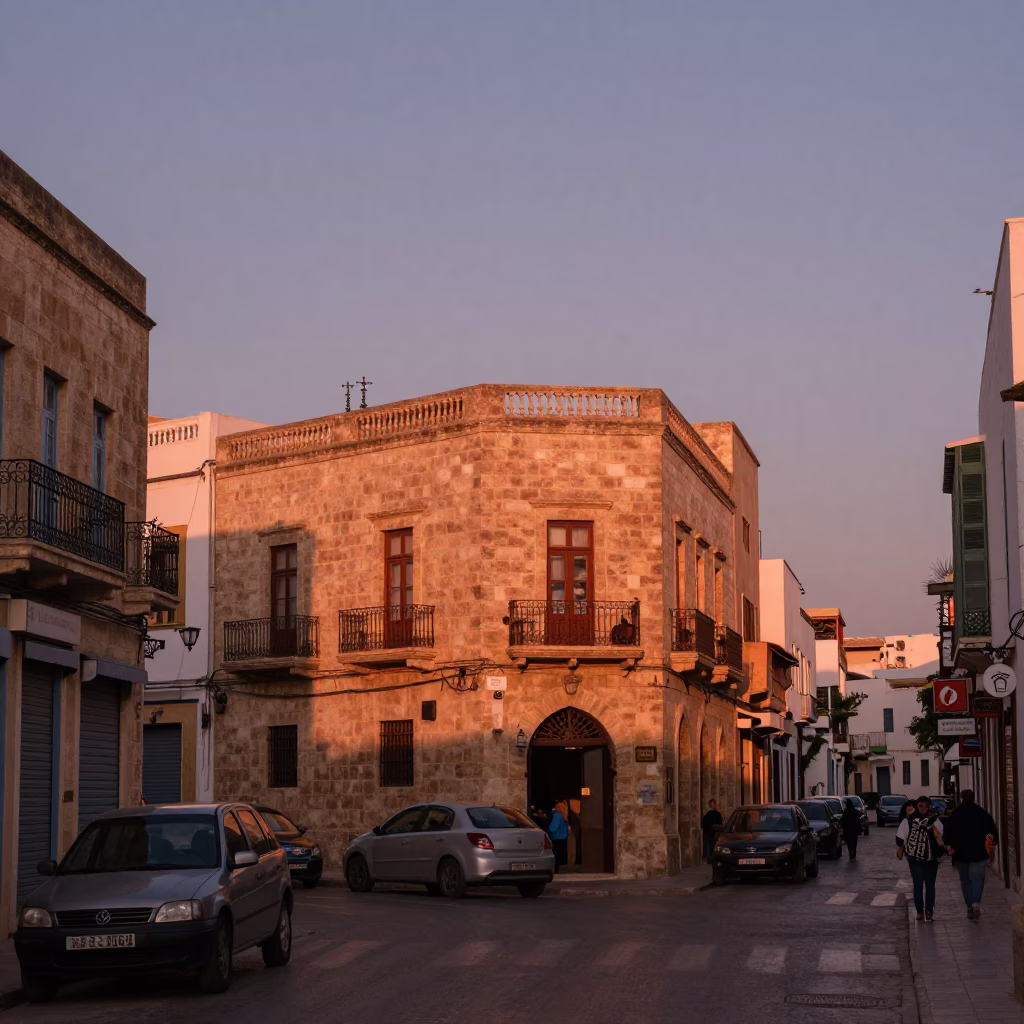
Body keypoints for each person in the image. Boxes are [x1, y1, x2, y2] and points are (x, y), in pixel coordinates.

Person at [943, 789, 999, 921]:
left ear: (961, 798)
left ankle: (969, 907)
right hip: (979, 853)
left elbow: (947, 831)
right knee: (978, 879)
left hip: (960, 853)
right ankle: (975, 903)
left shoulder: (955, 814)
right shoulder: (982, 813)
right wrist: (993, 842)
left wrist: (948, 845)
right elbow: (992, 831)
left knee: (965, 881)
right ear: (974, 798)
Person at [896, 795, 945, 922]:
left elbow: (900, 838)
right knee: (925, 885)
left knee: (923, 885)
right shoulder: (931, 820)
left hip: (922, 858)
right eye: (921, 806)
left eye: (926, 806)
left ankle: (924, 912)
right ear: (917, 806)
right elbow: (941, 836)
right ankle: (924, 911)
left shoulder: (911, 820)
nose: (924, 808)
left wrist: (901, 848)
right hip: (923, 858)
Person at [547, 800, 569, 872]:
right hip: (562, 838)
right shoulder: (564, 816)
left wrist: (548, 829)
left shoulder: (557, 815)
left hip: (555, 838)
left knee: (555, 856)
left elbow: (553, 828)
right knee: (559, 858)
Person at [701, 799, 723, 864]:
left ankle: (711, 859)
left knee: (712, 846)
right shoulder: (708, 814)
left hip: (713, 833)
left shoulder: (715, 814)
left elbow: (719, 824)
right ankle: (710, 859)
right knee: (710, 846)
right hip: (710, 833)